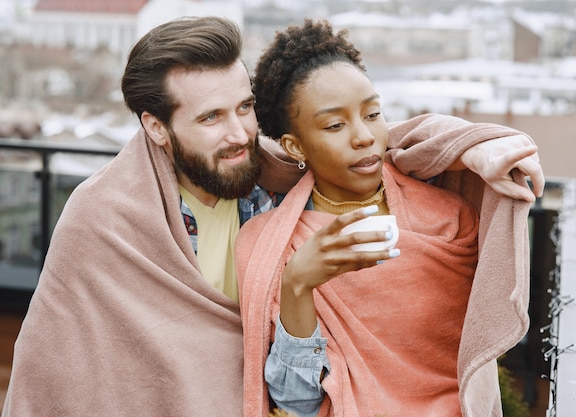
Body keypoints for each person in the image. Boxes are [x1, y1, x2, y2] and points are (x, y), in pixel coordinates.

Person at [2, 16, 541, 417]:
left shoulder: (269, 181)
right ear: (157, 127)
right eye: (211, 117)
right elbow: (59, 371)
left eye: (243, 107)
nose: (239, 134)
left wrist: (484, 146)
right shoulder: (106, 218)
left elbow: (374, 144)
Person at [236, 19, 533, 417]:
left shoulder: (450, 219)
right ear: (294, 144)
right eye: (335, 125)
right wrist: (297, 284)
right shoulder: (267, 244)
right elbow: (297, 403)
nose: (363, 136)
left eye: (373, 114)